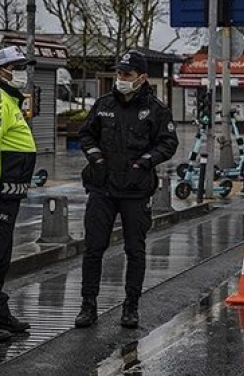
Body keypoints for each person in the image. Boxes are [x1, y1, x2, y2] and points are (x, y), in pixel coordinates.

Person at [75, 50, 179, 329]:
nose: (120, 78)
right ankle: (88, 305)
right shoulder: (103, 104)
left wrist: (146, 162)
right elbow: (85, 134)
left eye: (127, 74)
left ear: (141, 77)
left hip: (135, 191)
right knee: (93, 249)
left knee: (135, 250)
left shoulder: (156, 110)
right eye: (119, 73)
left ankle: (130, 307)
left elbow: (168, 143)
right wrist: (96, 157)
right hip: (102, 189)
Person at [0, 46, 36, 342]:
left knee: (1, 258)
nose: (21, 72)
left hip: (9, 196)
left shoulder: (11, 100)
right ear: (0, 71)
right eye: (16, 66)